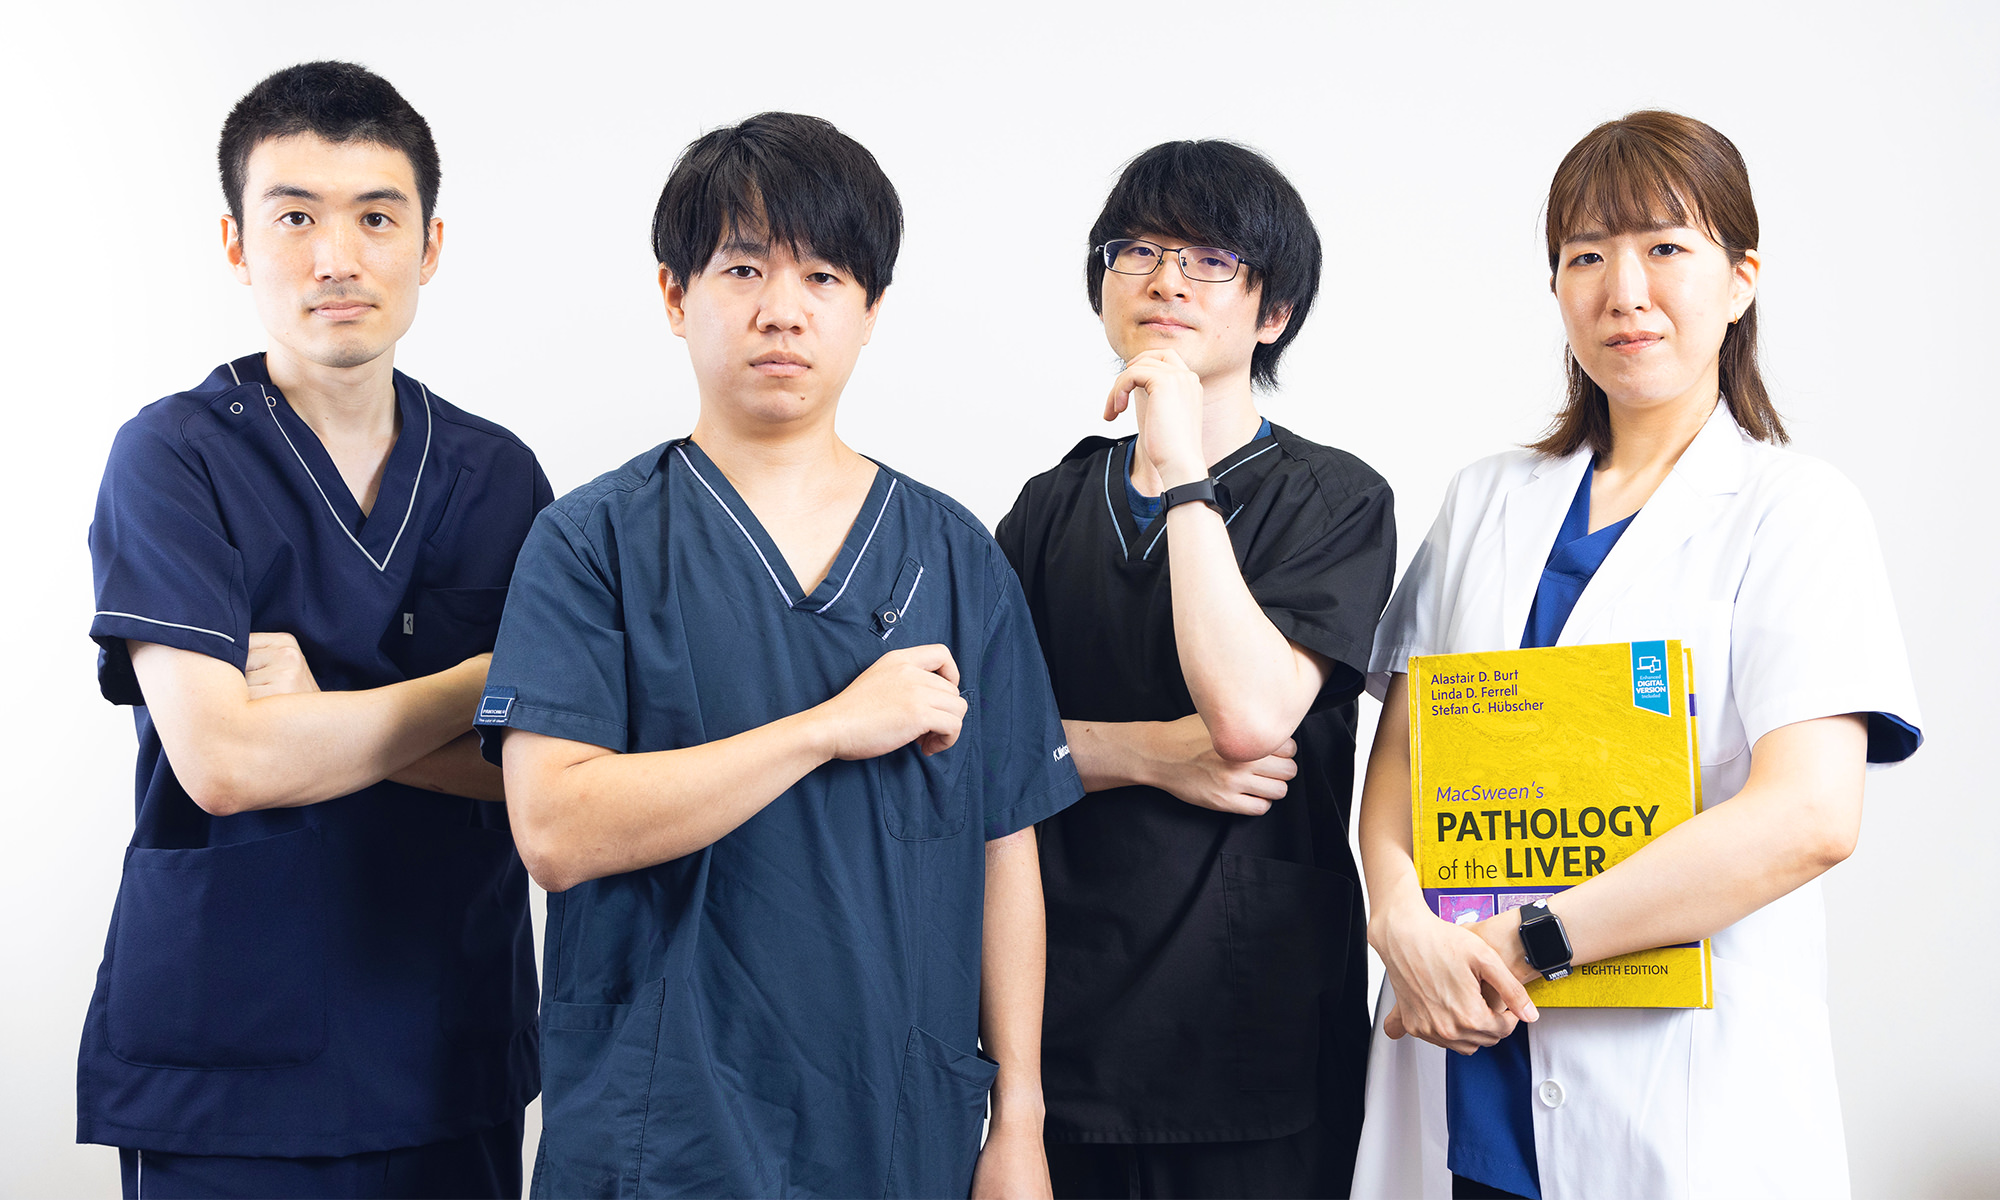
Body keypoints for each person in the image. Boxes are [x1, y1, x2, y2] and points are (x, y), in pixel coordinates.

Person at [475, 111, 1082, 1199]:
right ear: (675, 296)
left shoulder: (955, 557)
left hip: (897, 1130)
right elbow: (556, 828)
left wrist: (1021, 1124)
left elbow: (1005, 851)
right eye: (743, 268)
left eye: (823, 277)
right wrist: (826, 729)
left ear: (871, 310)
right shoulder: (592, 542)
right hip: (663, 1140)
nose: (781, 311)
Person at [1350, 110, 1924, 1200]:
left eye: (1664, 247)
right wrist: (1395, 919)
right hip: (1463, 1053)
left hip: (1675, 1089)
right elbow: (1403, 767)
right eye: (1585, 256)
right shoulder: (1483, 501)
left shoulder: (1794, 510)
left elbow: (1809, 816)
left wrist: (1534, 942)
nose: (1623, 290)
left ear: (1740, 280)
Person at [79, 62, 548, 1199]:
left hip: (447, 1041)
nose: (337, 257)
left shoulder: (498, 478)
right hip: (228, 1059)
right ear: (236, 244)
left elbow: (546, 776)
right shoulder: (173, 460)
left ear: (430, 246)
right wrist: (478, 683)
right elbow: (226, 763)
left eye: (376, 217)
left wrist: (320, 715)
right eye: (294, 217)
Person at [995, 140, 1397, 1198]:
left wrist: (1180, 469)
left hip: (1251, 1033)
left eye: (1210, 259)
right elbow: (974, 752)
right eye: (1136, 251)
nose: (1165, 280)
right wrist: (1147, 754)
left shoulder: (1334, 500)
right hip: (1064, 1032)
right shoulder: (1045, 509)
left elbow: (1251, 714)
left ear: (1274, 312)